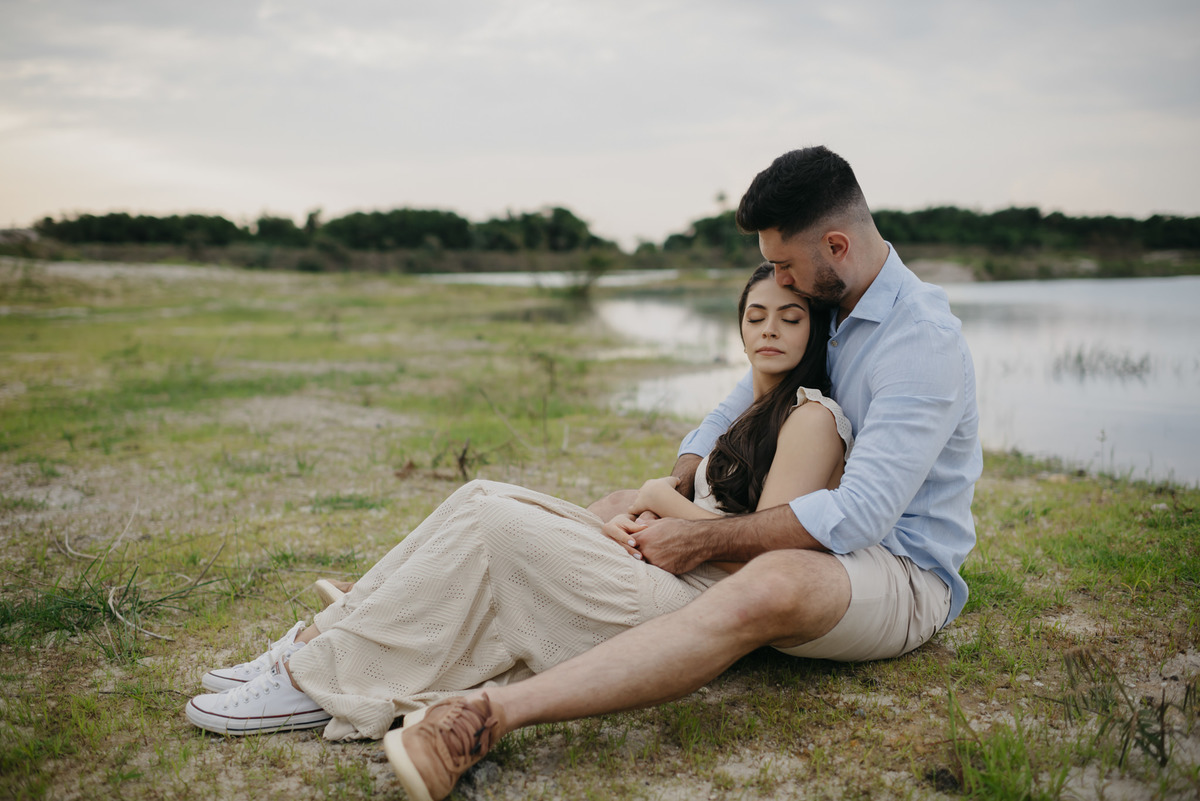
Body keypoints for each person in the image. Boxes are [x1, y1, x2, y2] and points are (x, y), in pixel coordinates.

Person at [386, 145, 982, 801]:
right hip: (828, 541)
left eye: (785, 264)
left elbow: (861, 515)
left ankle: (487, 717)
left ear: (836, 244)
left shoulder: (918, 338)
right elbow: (732, 405)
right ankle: (416, 609)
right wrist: (679, 484)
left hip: (901, 569)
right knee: (622, 503)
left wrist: (699, 537)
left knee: (774, 578)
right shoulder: (829, 303)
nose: (780, 280)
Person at [185, 263, 852, 742]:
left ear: (814, 331)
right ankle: (313, 643)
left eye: (790, 318)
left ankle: (317, 683)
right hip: (663, 569)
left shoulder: (810, 418)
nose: (769, 329)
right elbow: (713, 512)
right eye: (755, 315)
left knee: (495, 523)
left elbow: (770, 551)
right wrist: (637, 517)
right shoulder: (752, 411)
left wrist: (657, 497)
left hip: (692, 607)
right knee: (480, 493)